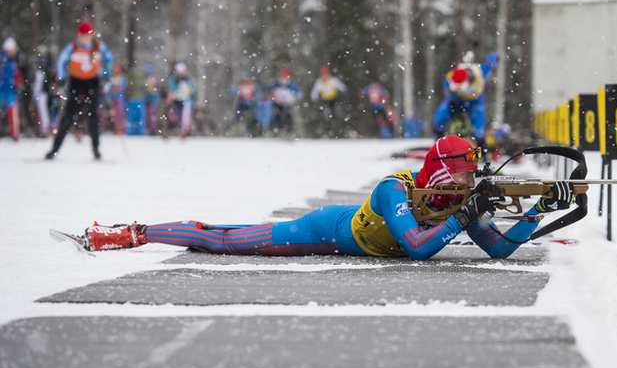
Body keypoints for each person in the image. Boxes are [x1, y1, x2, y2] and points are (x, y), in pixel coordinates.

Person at [67, 135, 577, 260]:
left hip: (355, 239)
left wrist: (537, 211)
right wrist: (463, 215)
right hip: (324, 231)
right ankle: (131, 233)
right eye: (465, 176)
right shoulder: (393, 188)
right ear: (443, 173)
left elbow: (501, 249)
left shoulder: (459, 203)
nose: (472, 185)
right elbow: (419, 246)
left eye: (473, 179)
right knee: (223, 240)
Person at [46, 21, 113, 160]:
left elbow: (109, 60)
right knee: (68, 117)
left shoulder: (99, 46)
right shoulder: (73, 47)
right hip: (76, 82)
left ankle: (96, 150)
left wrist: (106, 77)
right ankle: (54, 149)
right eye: (82, 36)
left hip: (92, 83)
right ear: (78, 35)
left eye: (87, 36)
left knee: (93, 116)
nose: (85, 39)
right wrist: (61, 80)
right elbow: (61, 61)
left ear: (92, 35)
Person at [432, 51, 499, 148]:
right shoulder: (449, 78)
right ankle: (437, 142)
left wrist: (496, 56)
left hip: (475, 102)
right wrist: (452, 102)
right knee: (440, 117)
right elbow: (447, 93)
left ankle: (482, 147)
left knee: (478, 128)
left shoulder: (479, 72)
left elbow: (489, 63)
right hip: (455, 101)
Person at [310, 66, 347, 137]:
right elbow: (314, 92)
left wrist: (343, 90)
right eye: (323, 74)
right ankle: (327, 132)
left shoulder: (333, 80)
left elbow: (341, 87)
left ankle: (346, 129)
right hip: (325, 102)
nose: (324, 76)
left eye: (325, 74)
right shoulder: (319, 82)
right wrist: (314, 98)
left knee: (340, 114)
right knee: (326, 116)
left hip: (334, 100)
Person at [166, 61, 197, 138]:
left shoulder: (188, 78)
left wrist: (194, 97)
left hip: (187, 99)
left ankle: (185, 131)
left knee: (186, 116)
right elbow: (172, 88)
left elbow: (193, 89)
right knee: (175, 116)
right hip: (177, 100)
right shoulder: (174, 78)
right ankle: (172, 130)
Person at [0, 38, 23, 140]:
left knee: (13, 111)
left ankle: (15, 133)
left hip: (10, 90)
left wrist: (19, 82)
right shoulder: (2, 60)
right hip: (1, 89)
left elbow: (16, 74)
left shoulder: (13, 61)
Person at [269, 67, 301, 136]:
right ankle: (280, 132)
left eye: (285, 77)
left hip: (288, 104)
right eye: (282, 77)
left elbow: (299, 93)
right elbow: (270, 92)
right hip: (278, 104)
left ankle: (289, 132)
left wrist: (294, 92)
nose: (284, 79)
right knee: (278, 117)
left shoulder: (291, 85)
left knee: (288, 118)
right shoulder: (276, 85)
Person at [105, 63, 127, 136]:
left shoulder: (122, 78)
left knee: (120, 113)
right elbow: (107, 88)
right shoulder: (111, 78)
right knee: (114, 114)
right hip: (112, 98)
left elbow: (122, 87)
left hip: (119, 98)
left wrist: (118, 88)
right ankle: (116, 129)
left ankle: (121, 129)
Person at [125, 63, 148, 136]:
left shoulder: (129, 78)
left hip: (132, 99)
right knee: (140, 117)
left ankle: (130, 132)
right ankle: (140, 132)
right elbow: (145, 89)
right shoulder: (142, 78)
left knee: (131, 117)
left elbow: (126, 89)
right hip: (140, 99)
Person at [143, 64, 161, 135]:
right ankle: (150, 128)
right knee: (148, 114)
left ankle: (153, 129)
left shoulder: (154, 79)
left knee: (152, 114)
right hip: (148, 99)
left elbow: (157, 89)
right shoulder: (146, 79)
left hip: (153, 99)